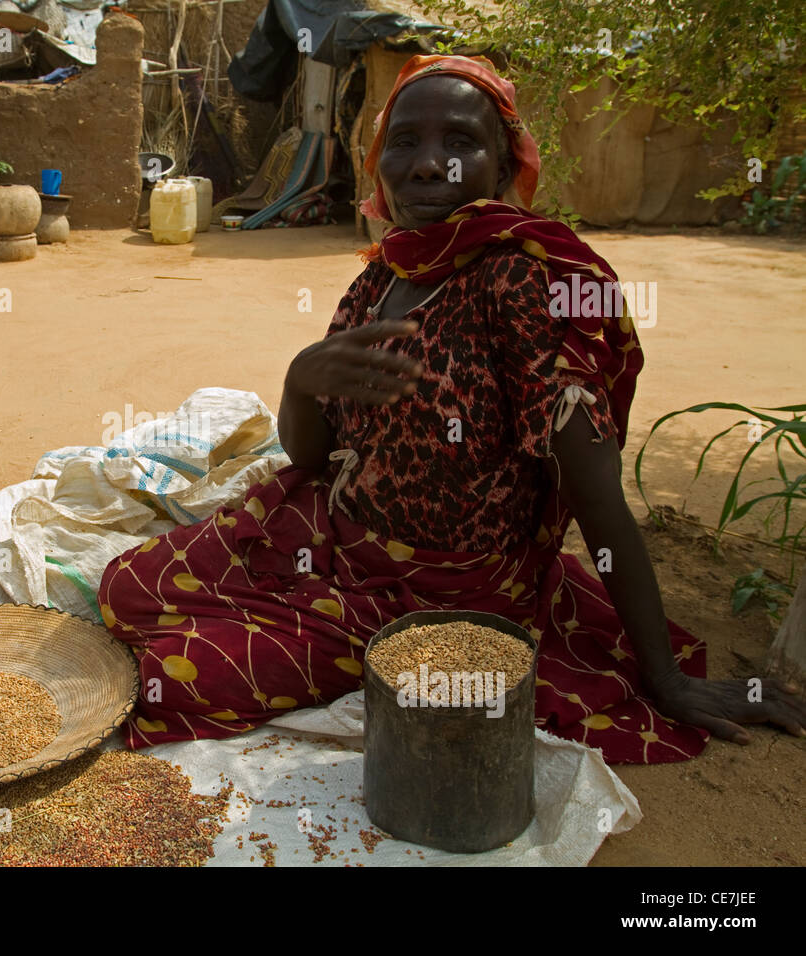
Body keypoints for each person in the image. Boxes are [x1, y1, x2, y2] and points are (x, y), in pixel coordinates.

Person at [97, 54, 806, 763]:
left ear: (502, 167)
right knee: (126, 589)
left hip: (435, 600)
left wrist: (665, 678)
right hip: (339, 537)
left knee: (173, 676)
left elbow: (598, 499)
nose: (431, 165)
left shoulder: (522, 285)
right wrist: (299, 383)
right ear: (379, 163)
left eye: (460, 142)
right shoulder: (386, 273)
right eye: (405, 140)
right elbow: (311, 456)